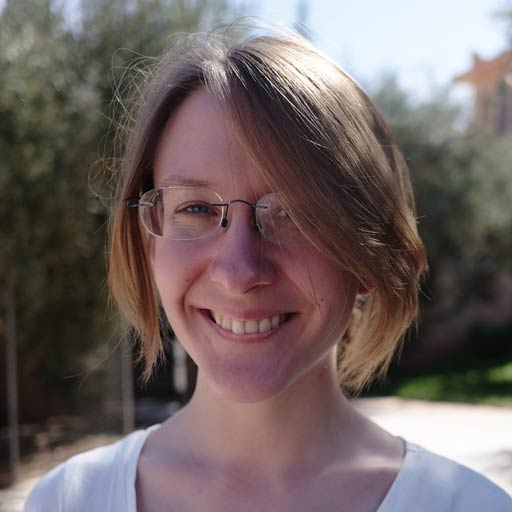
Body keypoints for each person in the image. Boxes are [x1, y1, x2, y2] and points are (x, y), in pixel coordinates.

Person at [24, 23, 511, 512]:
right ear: (149, 241)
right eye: (196, 208)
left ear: (368, 251)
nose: (239, 271)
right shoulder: (68, 502)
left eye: (294, 213)